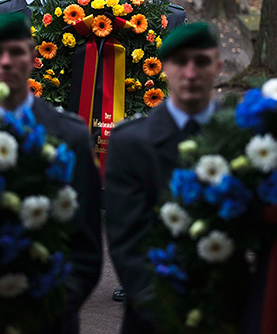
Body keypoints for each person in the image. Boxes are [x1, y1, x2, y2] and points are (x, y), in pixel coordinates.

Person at [0, 11, 102, 334]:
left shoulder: (69, 135)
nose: (5, 62)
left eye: (15, 52)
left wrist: (57, 301)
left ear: (32, 57)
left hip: (50, 316)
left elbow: (86, 243)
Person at [105, 23, 222, 333]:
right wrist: (155, 302)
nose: (191, 72)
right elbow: (125, 235)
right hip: (153, 310)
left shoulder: (242, 133)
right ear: (164, 68)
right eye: (180, 62)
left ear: (219, 66)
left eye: (202, 61)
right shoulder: (131, 143)